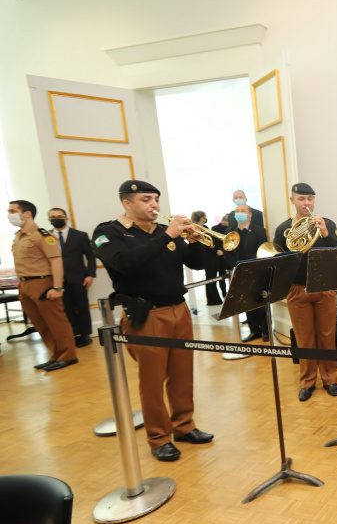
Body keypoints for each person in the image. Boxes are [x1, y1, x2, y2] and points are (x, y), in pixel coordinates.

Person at [93, 180, 213, 462]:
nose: (154, 205)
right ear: (127, 203)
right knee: (152, 380)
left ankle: (185, 426)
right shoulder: (108, 232)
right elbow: (125, 263)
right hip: (147, 315)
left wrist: (194, 243)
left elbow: (197, 264)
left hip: (179, 311)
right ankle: (159, 438)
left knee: (182, 375)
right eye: (146, 199)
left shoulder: (162, 231)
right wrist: (167, 236)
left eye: (156, 199)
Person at [274, 183, 337, 402]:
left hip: (324, 287)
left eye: (310, 199)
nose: (307, 203)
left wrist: (325, 233)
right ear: (292, 200)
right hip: (297, 288)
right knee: (304, 339)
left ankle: (330, 379)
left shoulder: (327, 223)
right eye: (301, 199)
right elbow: (277, 258)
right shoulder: (283, 229)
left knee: (327, 336)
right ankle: (307, 382)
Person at [8, 200, 78, 371]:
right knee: (41, 324)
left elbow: (56, 262)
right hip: (24, 285)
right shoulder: (19, 235)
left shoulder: (42, 235)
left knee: (56, 322)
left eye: (12, 211)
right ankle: (55, 355)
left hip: (42, 283)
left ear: (27, 214)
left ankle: (68, 356)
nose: (9, 214)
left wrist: (57, 287)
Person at [48, 207, 96, 348]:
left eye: (59, 216)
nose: (56, 218)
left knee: (81, 307)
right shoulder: (46, 237)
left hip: (79, 278)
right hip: (57, 280)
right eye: (52, 217)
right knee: (66, 308)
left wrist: (91, 275)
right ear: (49, 220)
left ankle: (85, 335)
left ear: (66, 218)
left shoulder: (80, 235)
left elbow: (90, 257)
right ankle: (74, 334)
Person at [222, 203, 269, 342]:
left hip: (255, 270)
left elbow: (263, 249)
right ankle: (254, 331)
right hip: (238, 271)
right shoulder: (229, 232)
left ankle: (266, 331)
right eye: (237, 211)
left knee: (260, 302)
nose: (239, 212)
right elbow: (227, 252)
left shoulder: (259, 231)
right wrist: (236, 265)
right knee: (246, 303)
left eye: (243, 210)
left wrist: (249, 265)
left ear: (250, 215)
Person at [191, 211, 223, 306]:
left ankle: (215, 298)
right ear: (202, 218)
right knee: (210, 278)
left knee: (212, 277)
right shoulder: (198, 228)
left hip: (211, 255)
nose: (206, 218)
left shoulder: (204, 227)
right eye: (205, 217)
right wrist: (213, 248)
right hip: (208, 256)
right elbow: (204, 243)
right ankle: (212, 299)